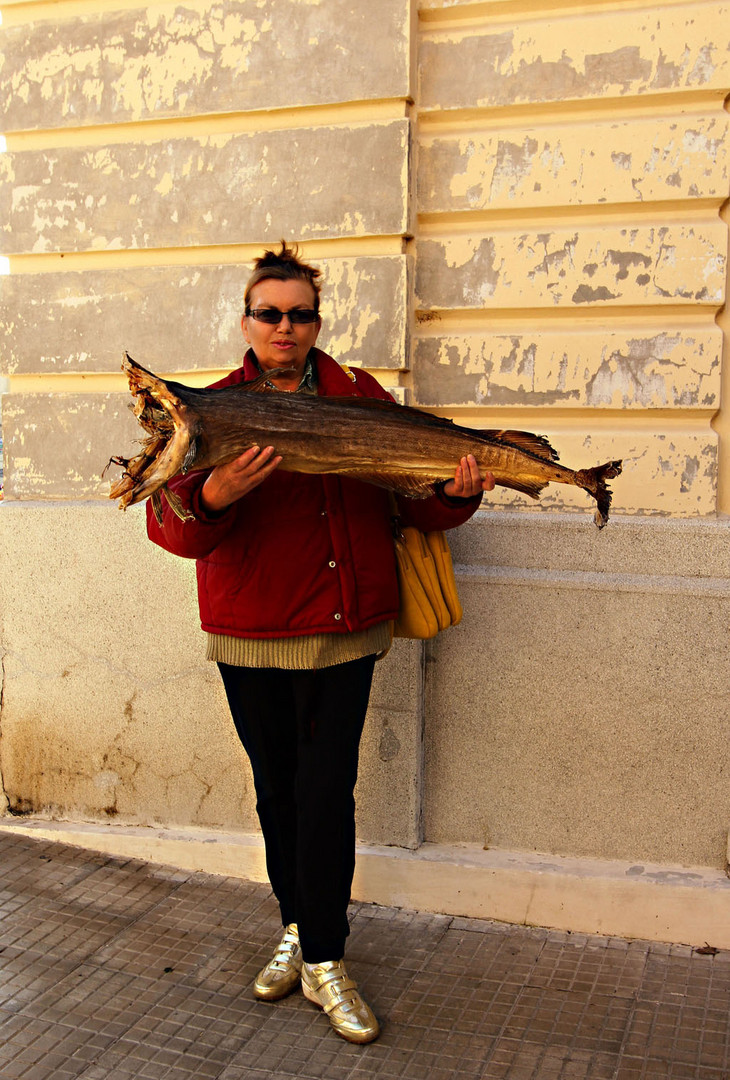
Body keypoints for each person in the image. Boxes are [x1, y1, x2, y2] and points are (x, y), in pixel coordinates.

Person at [146, 242, 494, 1044]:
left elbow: (417, 507)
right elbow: (171, 525)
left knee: (326, 793)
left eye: (301, 313)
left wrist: (453, 493)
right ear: (246, 320)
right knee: (277, 791)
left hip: (344, 628)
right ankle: (297, 930)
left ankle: (327, 957)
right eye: (270, 312)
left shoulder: (359, 396)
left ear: (317, 322)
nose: (286, 326)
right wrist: (214, 493)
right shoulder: (207, 408)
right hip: (249, 632)